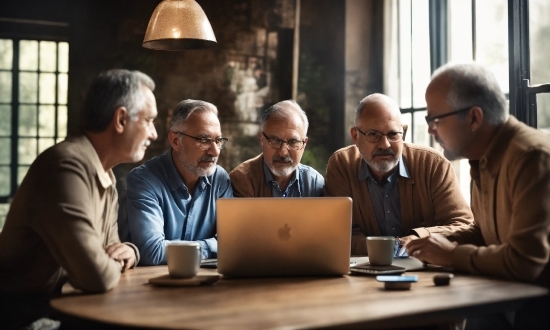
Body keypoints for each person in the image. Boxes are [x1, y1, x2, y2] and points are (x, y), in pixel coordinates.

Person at [0, 69, 158, 329]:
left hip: (64, 311)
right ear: (120, 119)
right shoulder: (65, 166)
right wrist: (108, 260)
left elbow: (112, 249)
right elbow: (97, 276)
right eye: (148, 120)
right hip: (23, 319)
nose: (153, 133)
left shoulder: (104, 174)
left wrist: (131, 250)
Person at [406, 62, 550, 329]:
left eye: (435, 119)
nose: (430, 130)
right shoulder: (480, 159)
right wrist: (426, 241)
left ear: (473, 118)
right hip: (505, 299)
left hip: (537, 306)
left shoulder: (531, 158)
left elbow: (526, 261)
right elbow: (486, 233)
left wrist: (451, 255)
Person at [325, 93, 473, 255]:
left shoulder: (433, 164)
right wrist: (393, 247)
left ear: (404, 133)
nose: (385, 144)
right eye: (373, 134)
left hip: (425, 267)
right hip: (364, 268)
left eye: (393, 134)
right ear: (355, 136)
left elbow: (463, 225)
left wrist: (418, 238)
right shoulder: (342, 164)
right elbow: (337, 235)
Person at [120, 99, 232, 265]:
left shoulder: (220, 179)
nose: (215, 151)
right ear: (175, 141)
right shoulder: (144, 180)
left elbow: (233, 242)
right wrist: (213, 246)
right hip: (149, 284)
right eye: (203, 140)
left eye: (218, 141)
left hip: (205, 283)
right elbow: (153, 252)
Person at [230, 100, 324, 197]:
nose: (283, 152)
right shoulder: (242, 180)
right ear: (262, 140)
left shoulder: (315, 183)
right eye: (275, 140)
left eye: (293, 142)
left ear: (304, 144)